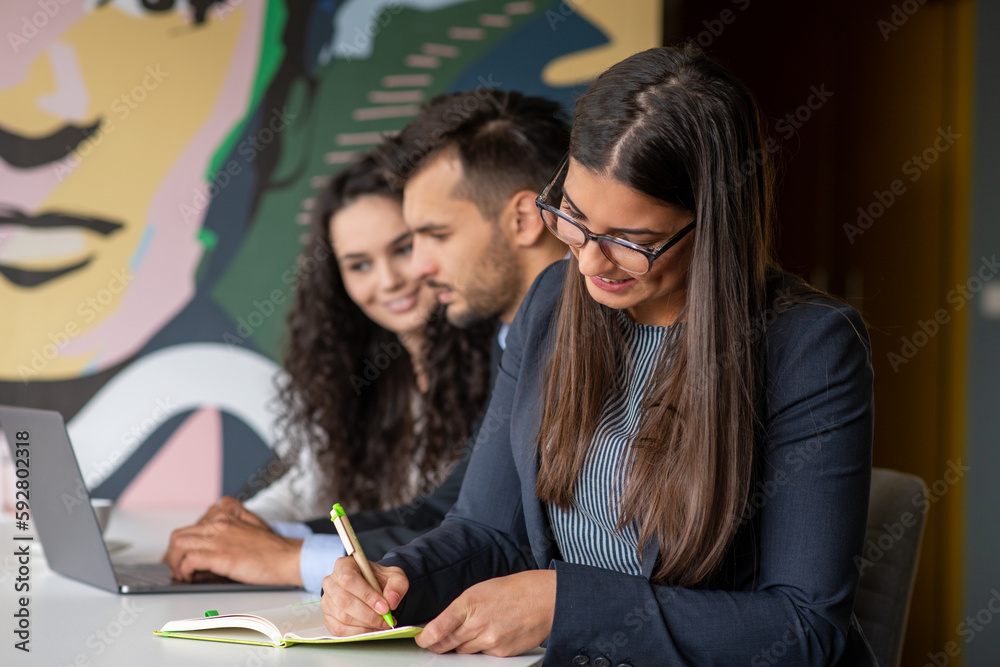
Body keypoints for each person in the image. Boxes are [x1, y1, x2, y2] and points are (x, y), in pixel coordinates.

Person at [320, 46, 878, 667]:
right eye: (574, 219)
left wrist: (567, 606)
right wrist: (394, 580)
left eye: (628, 242)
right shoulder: (551, 302)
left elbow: (804, 629)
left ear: (714, 224)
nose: (587, 262)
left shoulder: (810, 347)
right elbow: (488, 532)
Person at [166, 86, 573, 593]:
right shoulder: (515, 335)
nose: (415, 270)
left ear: (523, 218)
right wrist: (270, 538)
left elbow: (496, 546)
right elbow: (456, 518)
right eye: (359, 264)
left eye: (432, 236)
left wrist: (288, 559)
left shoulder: (579, 336)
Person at [164, 152, 494, 591]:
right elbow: (305, 488)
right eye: (360, 265)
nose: (389, 280)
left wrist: (276, 552)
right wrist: (235, 530)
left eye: (403, 248)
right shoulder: (363, 376)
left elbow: (452, 526)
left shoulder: (503, 362)